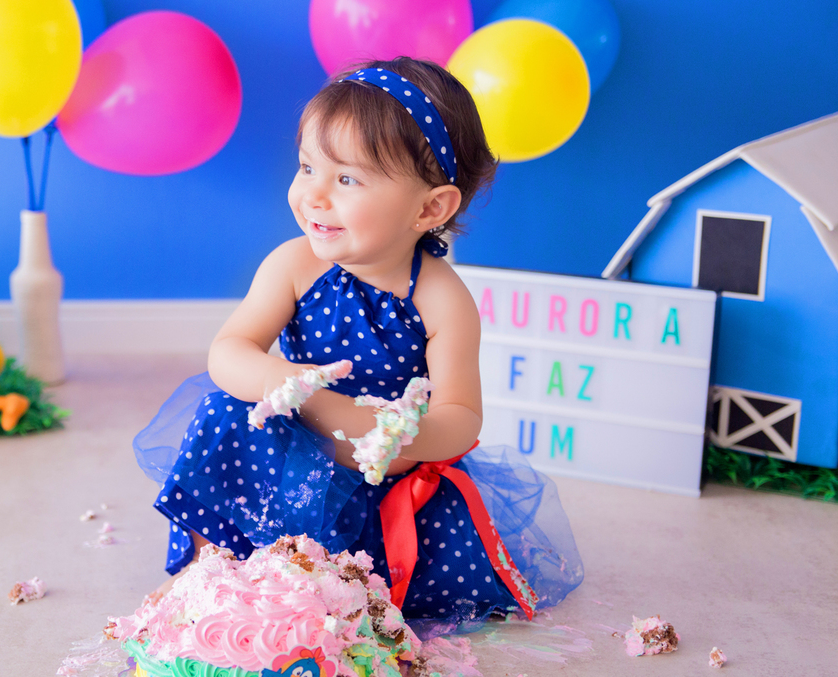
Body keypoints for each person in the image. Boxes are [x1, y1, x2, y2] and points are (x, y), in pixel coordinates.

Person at [134, 57, 582, 629]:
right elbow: (229, 349)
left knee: (394, 588)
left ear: (429, 208)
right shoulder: (294, 265)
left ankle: (324, 588)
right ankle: (209, 570)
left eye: (346, 179)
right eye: (306, 168)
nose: (313, 195)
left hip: (381, 481)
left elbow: (463, 417)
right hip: (294, 461)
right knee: (223, 411)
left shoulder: (441, 298)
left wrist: (396, 435)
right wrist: (285, 385)